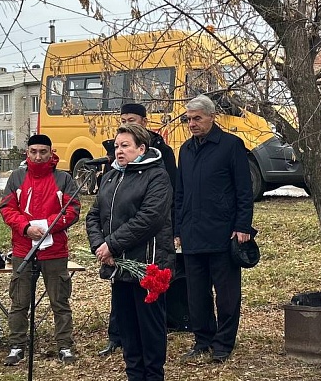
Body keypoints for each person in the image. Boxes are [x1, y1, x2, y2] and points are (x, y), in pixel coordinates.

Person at [86, 123, 174, 380]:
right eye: (116, 146)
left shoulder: (157, 176)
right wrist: (100, 247)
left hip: (147, 265)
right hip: (118, 266)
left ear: (142, 149)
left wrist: (111, 244)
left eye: (125, 146)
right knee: (128, 330)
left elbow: (149, 219)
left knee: (150, 330)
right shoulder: (111, 176)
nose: (119, 151)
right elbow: (94, 215)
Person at [173, 94, 254, 364]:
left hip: (223, 234)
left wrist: (242, 226)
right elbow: (180, 193)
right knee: (196, 294)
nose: (192, 123)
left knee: (227, 294)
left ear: (211, 117)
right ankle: (203, 339)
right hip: (192, 234)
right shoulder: (185, 150)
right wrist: (177, 228)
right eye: (188, 119)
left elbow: (244, 190)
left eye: (197, 118)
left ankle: (224, 342)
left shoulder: (231, 146)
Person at [0, 134, 81, 366]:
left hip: (54, 249)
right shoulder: (17, 177)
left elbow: (72, 209)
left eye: (43, 151)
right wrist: (25, 227)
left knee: (60, 301)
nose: (38, 156)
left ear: (50, 152)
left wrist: (50, 225)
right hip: (23, 249)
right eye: (33, 151)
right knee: (19, 301)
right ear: (27, 152)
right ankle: (16, 346)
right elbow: (6, 208)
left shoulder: (63, 178)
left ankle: (65, 346)